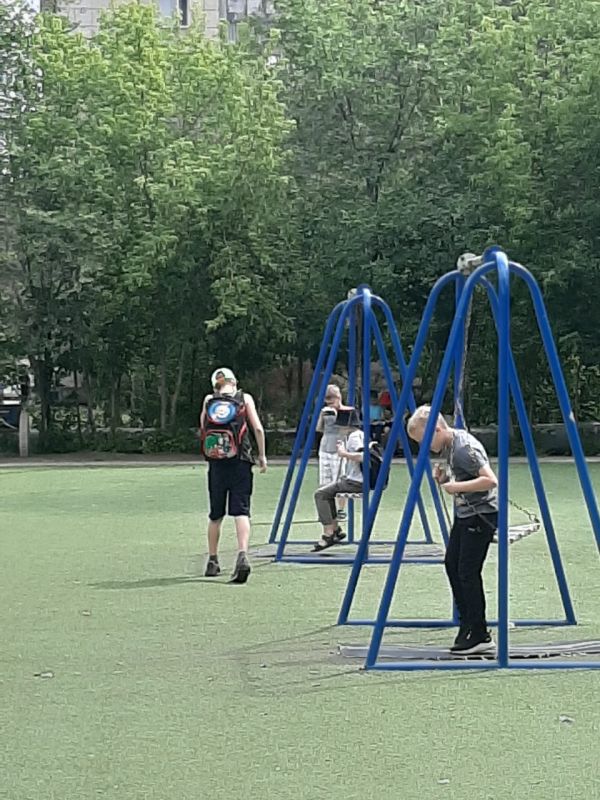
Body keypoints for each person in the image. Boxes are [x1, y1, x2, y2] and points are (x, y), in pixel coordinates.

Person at [406, 405, 499, 655]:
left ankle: (480, 633)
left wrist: (455, 487)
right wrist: (447, 481)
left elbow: (490, 480)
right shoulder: (449, 445)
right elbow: (463, 479)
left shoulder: (463, 449)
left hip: (481, 515)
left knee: (467, 572)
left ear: (437, 429)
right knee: (452, 565)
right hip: (466, 513)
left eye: (424, 441)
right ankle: (468, 623)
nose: (424, 447)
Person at [199, 367, 267, 583]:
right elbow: (258, 429)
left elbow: (203, 427)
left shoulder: (209, 400)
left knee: (215, 515)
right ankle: (242, 555)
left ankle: (212, 560)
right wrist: (262, 455)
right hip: (241, 461)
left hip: (216, 463)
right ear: (234, 382)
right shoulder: (244, 399)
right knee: (241, 511)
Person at [312, 409, 364, 552]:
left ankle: (329, 532)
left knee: (320, 494)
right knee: (327, 493)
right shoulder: (358, 434)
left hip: (355, 482)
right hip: (354, 479)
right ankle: (335, 529)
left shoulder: (354, 437)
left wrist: (344, 453)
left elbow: (363, 456)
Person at [315, 384, 351, 520]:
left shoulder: (346, 411)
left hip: (338, 449)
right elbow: (319, 428)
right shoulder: (325, 411)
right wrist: (322, 415)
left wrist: (336, 415)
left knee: (340, 480)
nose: (329, 402)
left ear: (338, 397)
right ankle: (327, 511)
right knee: (325, 481)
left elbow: (347, 430)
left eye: (332, 399)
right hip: (325, 448)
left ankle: (341, 510)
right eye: (327, 399)